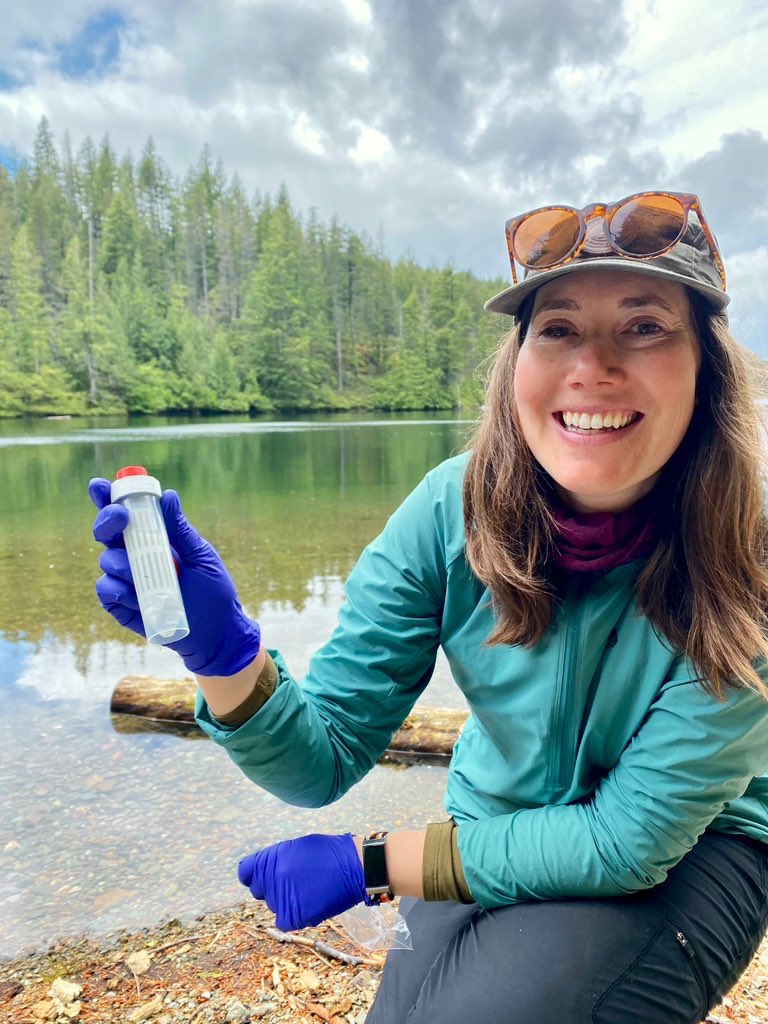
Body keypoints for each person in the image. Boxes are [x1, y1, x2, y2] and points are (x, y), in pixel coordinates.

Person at [90, 191, 768, 1024]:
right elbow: (323, 757)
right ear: (516, 365)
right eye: (556, 328)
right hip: (493, 819)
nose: (592, 365)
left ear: (707, 369)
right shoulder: (449, 511)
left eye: (644, 326)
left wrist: (371, 862)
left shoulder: (751, 557)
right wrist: (225, 657)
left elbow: (621, 845)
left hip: (695, 851)